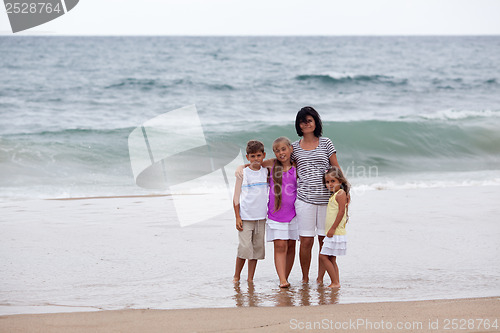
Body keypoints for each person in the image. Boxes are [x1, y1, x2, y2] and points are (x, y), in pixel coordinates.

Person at [291, 106, 342, 283]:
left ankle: (320, 279)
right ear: (298, 125)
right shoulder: (293, 148)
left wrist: (345, 191)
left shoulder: (326, 142)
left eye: (309, 120)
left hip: (327, 201)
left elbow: (336, 169)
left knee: (324, 241)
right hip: (305, 200)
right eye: (302, 121)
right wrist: (245, 167)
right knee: (306, 242)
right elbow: (284, 169)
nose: (306, 124)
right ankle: (305, 279)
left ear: (315, 122)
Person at [233, 140, 268, 283]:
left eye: (259, 156)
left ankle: (250, 278)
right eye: (252, 156)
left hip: (261, 217)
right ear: (247, 157)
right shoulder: (243, 173)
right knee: (244, 248)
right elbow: (235, 197)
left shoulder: (266, 172)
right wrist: (237, 217)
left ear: (263, 155)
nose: (256, 159)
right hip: (246, 217)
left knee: (256, 249)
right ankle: (236, 276)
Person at [266, 137, 299, 288]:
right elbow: (253, 164)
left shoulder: (296, 166)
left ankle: (286, 276)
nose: (281, 153)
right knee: (280, 245)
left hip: (294, 214)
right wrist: (241, 168)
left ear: (290, 148)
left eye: (283, 149)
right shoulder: (272, 164)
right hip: (276, 213)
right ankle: (282, 280)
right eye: (277, 151)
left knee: (291, 245)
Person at [319, 166, 350, 288]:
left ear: (340, 181)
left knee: (323, 256)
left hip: (335, 232)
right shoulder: (334, 195)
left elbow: (341, 212)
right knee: (331, 259)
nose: (330, 184)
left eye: (333, 181)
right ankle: (336, 281)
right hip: (333, 232)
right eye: (327, 182)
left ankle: (335, 282)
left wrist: (332, 228)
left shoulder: (340, 193)